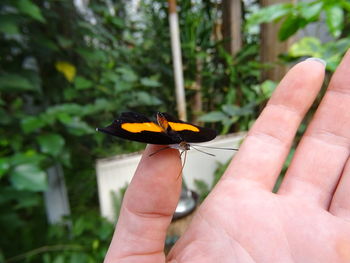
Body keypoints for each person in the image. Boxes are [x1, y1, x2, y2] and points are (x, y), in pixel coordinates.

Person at [104, 50, 350, 263]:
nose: (185, 148)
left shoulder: (187, 139)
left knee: (166, 143)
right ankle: (126, 126)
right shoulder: (176, 141)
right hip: (161, 128)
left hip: (167, 128)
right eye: (185, 147)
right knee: (162, 144)